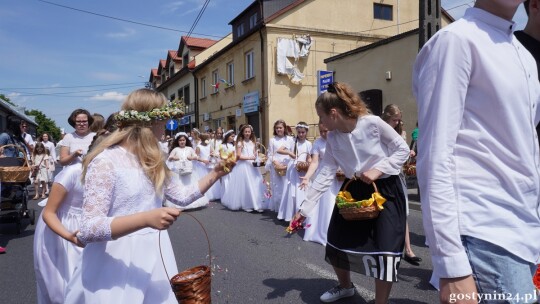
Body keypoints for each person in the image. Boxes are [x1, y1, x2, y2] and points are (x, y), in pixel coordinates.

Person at [413, 1, 540, 303]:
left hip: (522, 231)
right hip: (483, 231)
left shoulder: (523, 55)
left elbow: (526, 150)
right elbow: (434, 156)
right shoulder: (455, 42)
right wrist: (451, 265)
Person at [63, 88, 233, 303]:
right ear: (151, 123)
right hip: (116, 259)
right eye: (164, 121)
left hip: (155, 254)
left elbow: (181, 196)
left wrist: (217, 172)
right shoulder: (106, 161)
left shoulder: (152, 159)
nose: (167, 127)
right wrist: (146, 219)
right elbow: (89, 229)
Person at [292, 82, 409, 303]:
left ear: (334, 113)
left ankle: (380, 301)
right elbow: (325, 174)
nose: (321, 123)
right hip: (353, 190)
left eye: (322, 117)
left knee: (385, 250)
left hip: (384, 189)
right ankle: (345, 287)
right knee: (336, 239)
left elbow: (402, 149)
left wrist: (378, 169)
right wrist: (304, 210)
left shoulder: (373, 124)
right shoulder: (334, 139)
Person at [33, 128, 111, 304]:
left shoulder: (107, 174)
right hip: (60, 228)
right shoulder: (72, 172)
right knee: (62, 283)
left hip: (87, 225)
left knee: (89, 279)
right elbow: (49, 212)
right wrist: (69, 236)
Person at [381, 104, 420, 266]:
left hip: (398, 176)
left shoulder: (400, 132)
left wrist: (409, 154)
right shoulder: (379, 131)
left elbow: (402, 154)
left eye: (398, 120)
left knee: (403, 211)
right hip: (382, 176)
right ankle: (385, 250)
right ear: (386, 118)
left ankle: (408, 250)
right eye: (393, 120)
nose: (396, 123)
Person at [299, 123, 342, 246]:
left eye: (326, 131)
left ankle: (338, 233)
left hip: (338, 176)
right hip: (323, 176)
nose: (324, 134)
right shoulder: (318, 143)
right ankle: (324, 232)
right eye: (321, 131)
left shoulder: (339, 140)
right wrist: (307, 177)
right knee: (326, 203)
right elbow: (314, 163)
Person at [221, 124, 266, 212]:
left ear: (251, 133)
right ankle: (247, 204)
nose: (247, 133)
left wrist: (256, 154)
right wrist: (250, 158)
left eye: (249, 132)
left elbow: (253, 153)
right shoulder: (240, 143)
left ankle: (257, 204)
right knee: (246, 185)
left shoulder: (253, 142)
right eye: (245, 132)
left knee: (256, 183)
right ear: (242, 133)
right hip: (244, 166)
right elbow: (238, 156)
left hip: (252, 165)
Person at [164, 132, 208, 210]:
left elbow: (195, 156)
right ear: (177, 141)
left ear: (186, 140)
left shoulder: (189, 149)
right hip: (178, 172)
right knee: (180, 187)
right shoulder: (175, 149)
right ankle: (180, 202)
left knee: (191, 186)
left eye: (183, 140)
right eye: (180, 140)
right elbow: (169, 158)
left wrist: (193, 157)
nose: (182, 142)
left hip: (189, 171)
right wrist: (174, 158)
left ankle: (193, 201)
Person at [278, 122, 312, 221]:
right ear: (296, 132)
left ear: (306, 132)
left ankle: (300, 215)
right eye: (299, 132)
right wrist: (289, 152)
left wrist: (308, 164)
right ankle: (289, 214)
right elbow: (279, 150)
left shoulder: (308, 144)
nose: (301, 134)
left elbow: (309, 157)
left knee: (301, 191)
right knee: (292, 191)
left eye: (303, 132)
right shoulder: (292, 141)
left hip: (302, 170)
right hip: (293, 168)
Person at [266, 119, 293, 212]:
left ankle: (287, 208)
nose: (279, 129)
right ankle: (279, 208)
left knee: (287, 187)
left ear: (284, 128)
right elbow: (270, 154)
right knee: (278, 188)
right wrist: (275, 162)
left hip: (287, 166)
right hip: (276, 166)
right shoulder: (272, 140)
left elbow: (292, 152)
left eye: (280, 128)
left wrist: (288, 163)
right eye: (277, 128)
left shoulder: (290, 139)